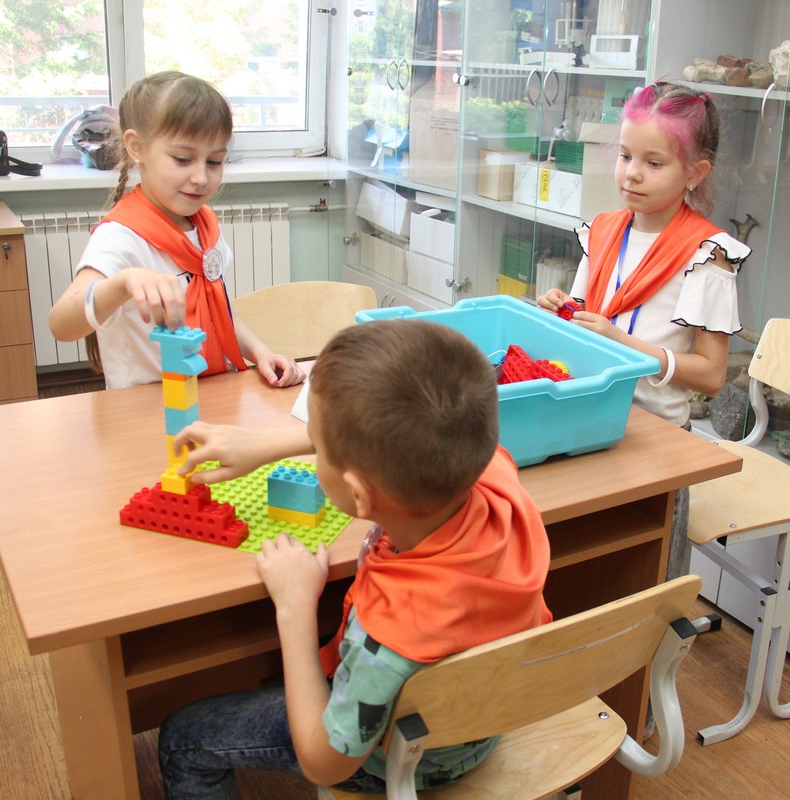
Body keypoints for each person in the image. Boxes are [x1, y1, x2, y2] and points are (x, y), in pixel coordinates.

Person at [157, 318, 553, 797]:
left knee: (184, 737)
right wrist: (267, 444)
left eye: (318, 446)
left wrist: (295, 608)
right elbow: (406, 433)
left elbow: (323, 764)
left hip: (405, 758)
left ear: (360, 495)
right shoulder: (495, 475)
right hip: (483, 720)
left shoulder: (387, 637)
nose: (314, 450)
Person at [537, 82, 750, 581]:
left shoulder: (708, 256)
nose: (632, 173)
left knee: (643, 580)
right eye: (626, 156)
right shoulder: (603, 230)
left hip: (655, 441)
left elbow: (711, 376)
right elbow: (586, 320)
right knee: (574, 567)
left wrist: (622, 343)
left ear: (695, 174)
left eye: (654, 163)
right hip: (591, 421)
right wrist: (561, 311)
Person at [47, 71, 304, 390]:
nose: (201, 178)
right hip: (147, 408)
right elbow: (61, 325)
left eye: (214, 162)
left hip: (210, 394)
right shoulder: (121, 237)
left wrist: (261, 353)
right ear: (136, 147)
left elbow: (219, 312)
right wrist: (124, 282)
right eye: (183, 159)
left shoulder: (204, 225)